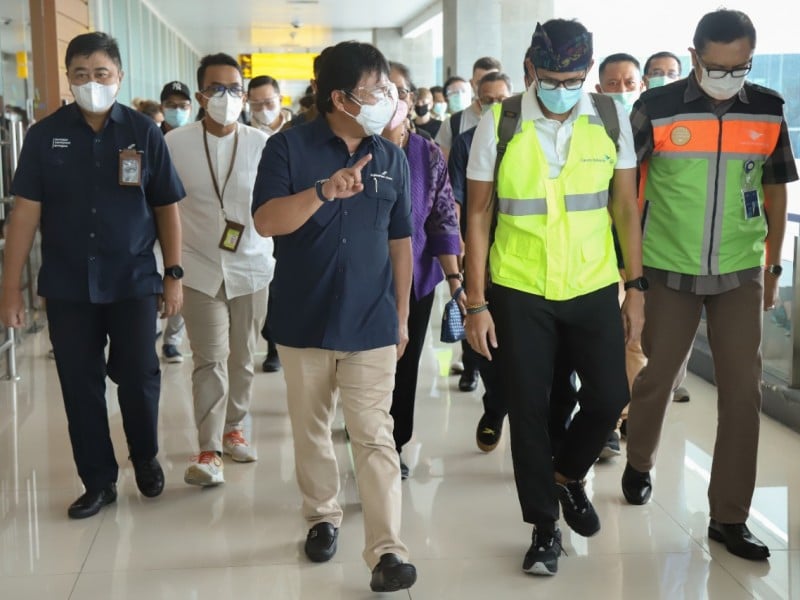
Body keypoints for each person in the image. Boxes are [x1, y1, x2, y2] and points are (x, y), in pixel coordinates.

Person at [465, 19, 644, 576]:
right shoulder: (500, 122)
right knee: (531, 408)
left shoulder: (612, 118)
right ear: (531, 69)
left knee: (610, 393)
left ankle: (566, 476)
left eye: (571, 77)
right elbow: (477, 214)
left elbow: (624, 210)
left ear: (587, 72)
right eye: (550, 77)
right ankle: (544, 527)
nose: (561, 87)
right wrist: (476, 302)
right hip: (519, 287)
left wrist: (634, 288)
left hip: (591, 283)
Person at [622, 8, 797, 562]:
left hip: (740, 272)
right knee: (657, 377)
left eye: (739, 66)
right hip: (668, 268)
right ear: (694, 56)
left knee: (743, 394)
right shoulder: (655, 107)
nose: (728, 76)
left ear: (751, 57)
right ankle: (639, 460)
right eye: (717, 66)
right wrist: (633, 280)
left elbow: (775, 192)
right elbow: (626, 193)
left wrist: (773, 267)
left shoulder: (769, 109)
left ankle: (729, 516)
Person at [251, 41, 417, 593]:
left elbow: (400, 241)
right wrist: (323, 192)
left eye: (390, 90)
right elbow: (267, 222)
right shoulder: (287, 149)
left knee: (374, 435)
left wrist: (401, 315)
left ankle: (388, 551)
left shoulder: (391, 157)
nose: (387, 100)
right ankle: (323, 515)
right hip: (305, 319)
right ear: (341, 98)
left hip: (371, 320)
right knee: (312, 428)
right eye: (378, 90)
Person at [0, 31, 185, 519]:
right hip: (67, 286)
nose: (91, 83)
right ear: (68, 79)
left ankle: (144, 457)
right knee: (79, 385)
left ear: (119, 77)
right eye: (80, 74)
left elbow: (166, 207)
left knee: (140, 377)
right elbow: (24, 215)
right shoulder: (45, 136)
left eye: (101, 73)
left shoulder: (145, 132)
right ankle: (98, 480)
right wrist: (9, 291)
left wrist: (173, 274)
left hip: (133, 281)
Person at [165, 53, 273, 486]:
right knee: (209, 359)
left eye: (234, 89)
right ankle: (208, 451)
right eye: (216, 89)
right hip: (199, 266)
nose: (225, 97)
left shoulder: (263, 144)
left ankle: (234, 429)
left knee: (244, 357)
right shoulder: (175, 144)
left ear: (244, 96)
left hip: (252, 266)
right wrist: (167, 268)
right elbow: (164, 210)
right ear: (199, 95)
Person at [384, 61, 462, 478]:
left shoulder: (426, 151)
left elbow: (443, 218)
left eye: (399, 91)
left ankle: (394, 443)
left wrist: (455, 279)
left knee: (405, 363)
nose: (391, 100)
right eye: (381, 91)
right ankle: (368, 434)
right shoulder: (351, 149)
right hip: (361, 279)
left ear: (412, 99)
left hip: (414, 280)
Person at [447, 71, 513, 451]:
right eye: (488, 99)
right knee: (488, 342)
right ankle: (496, 407)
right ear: (477, 100)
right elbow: (460, 203)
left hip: (535, 261)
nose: (495, 106)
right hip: (484, 258)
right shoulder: (467, 142)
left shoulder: (531, 137)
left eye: (501, 98)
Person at [155, 80, 193, 363]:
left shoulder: (196, 139)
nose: (176, 111)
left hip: (186, 224)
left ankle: (172, 340)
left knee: (179, 278)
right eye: (171, 106)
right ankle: (153, 331)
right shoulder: (149, 137)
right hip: (153, 224)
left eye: (182, 106)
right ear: (161, 108)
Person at [436, 57, 502, 157]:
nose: (486, 89)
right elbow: (445, 166)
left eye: (491, 82)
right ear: (471, 83)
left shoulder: (515, 121)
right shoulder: (453, 124)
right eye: (480, 82)